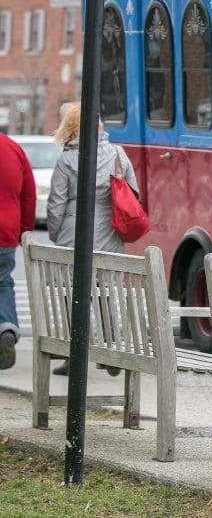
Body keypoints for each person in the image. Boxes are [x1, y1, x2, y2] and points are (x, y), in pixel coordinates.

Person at [47, 103, 140, 376]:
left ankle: (73, 354)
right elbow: (133, 192)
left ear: (69, 127)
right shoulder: (117, 154)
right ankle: (112, 348)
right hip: (110, 234)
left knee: (74, 295)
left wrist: (56, 233)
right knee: (108, 292)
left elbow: (56, 204)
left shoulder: (66, 160)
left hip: (72, 235)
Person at [0, 133, 35, 370]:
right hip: (5, 231)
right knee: (3, 282)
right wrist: (24, 229)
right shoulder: (12, 148)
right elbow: (28, 195)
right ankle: (7, 326)